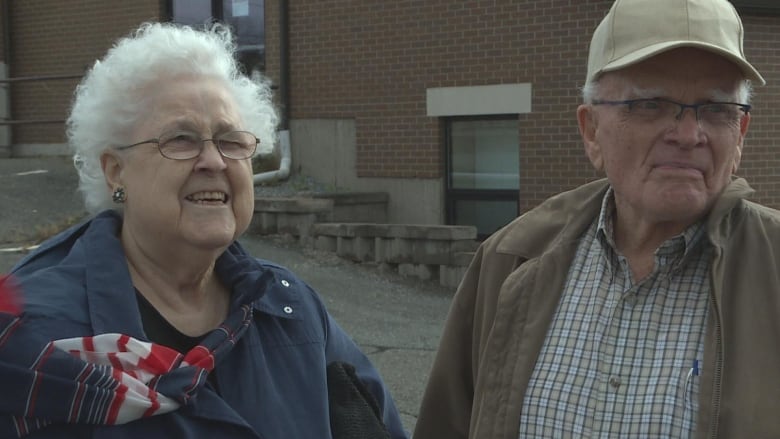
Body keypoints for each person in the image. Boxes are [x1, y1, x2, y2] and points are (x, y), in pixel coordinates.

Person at [0, 22, 407, 439]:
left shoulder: (291, 309)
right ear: (116, 171)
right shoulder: (28, 330)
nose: (214, 161)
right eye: (181, 139)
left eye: (231, 141)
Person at [414, 0, 780, 437]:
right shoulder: (510, 261)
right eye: (651, 104)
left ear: (739, 135)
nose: (687, 134)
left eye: (716, 108)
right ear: (592, 131)